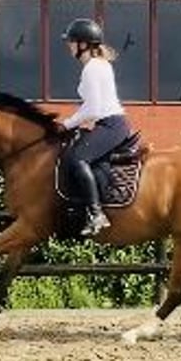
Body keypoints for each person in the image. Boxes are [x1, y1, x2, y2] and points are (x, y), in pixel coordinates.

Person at [59, 18, 131, 236]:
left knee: (75, 159)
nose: (69, 46)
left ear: (83, 44)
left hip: (110, 124)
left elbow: (93, 108)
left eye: (71, 42)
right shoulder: (99, 66)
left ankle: (95, 213)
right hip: (110, 123)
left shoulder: (92, 68)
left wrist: (66, 124)